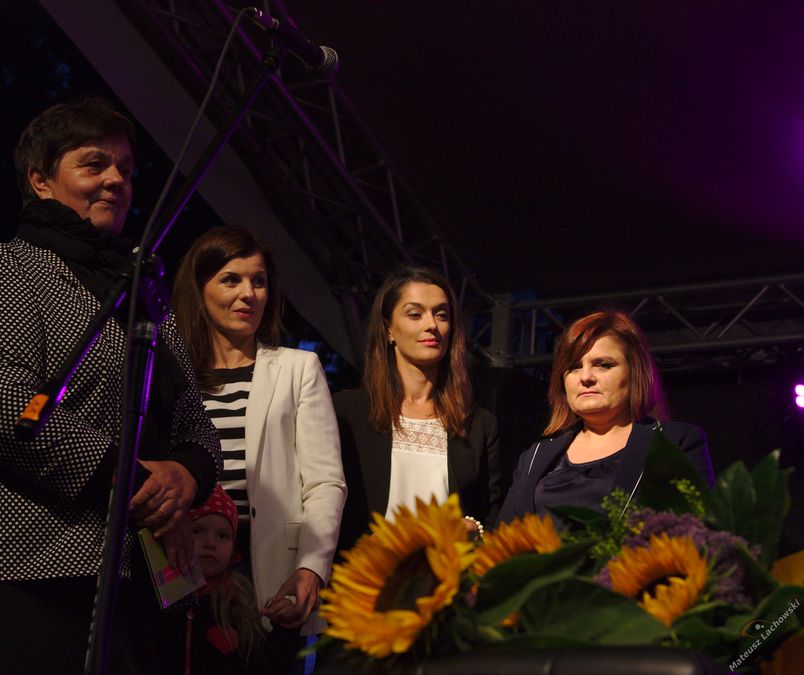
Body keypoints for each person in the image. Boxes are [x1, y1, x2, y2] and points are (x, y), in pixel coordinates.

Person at [0, 98, 222, 674]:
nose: (116, 180)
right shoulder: (1, 268)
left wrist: (185, 474)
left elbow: (195, 426)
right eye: (94, 164)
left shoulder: (148, 298)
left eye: (125, 169)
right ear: (41, 181)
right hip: (8, 570)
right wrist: (136, 481)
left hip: (127, 580)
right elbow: (2, 402)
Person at [171, 225, 346, 645]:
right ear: (199, 289)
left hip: (266, 569)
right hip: (181, 561)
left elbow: (325, 483)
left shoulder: (298, 369)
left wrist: (311, 568)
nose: (249, 293)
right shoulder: (172, 370)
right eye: (231, 279)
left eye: (259, 281)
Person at [333, 266, 503, 554]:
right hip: (366, 575)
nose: (432, 325)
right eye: (415, 314)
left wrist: (473, 529)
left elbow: (492, 518)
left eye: (442, 315)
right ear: (388, 329)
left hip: (447, 575)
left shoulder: (478, 424)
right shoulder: (347, 411)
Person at [496, 310, 715, 525]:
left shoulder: (675, 442)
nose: (585, 377)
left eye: (603, 365)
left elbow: (696, 531)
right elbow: (503, 538)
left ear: (635, 372)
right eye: (574, 367)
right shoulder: (536, 456)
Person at [155, 484, 301, 675]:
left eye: (222, 535)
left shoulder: (240, 606)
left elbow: (263, 666)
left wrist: (285, 629)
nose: (210, 543)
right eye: (197, 531)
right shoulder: (157, 598)